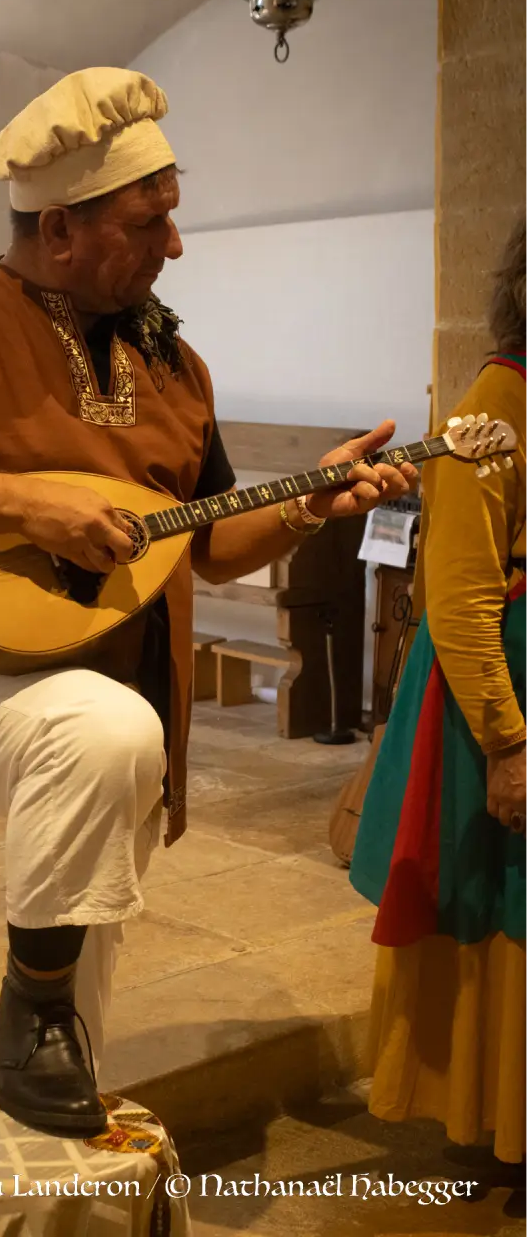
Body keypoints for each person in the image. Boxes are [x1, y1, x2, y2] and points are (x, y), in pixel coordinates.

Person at [0, 67, 415, 1139]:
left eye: (172, 213)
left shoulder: (172, 364)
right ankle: (29, 1025)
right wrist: (21, 504)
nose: (174, 244)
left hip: (115, 677)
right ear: (60, 228)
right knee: (105, 736)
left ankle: (53, 1117)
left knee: (93, 900)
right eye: (147, 220)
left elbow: (208, 546)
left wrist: (306, 505)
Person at [350, 213, 527, 1167]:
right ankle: (503, 1118)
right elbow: (459, 598)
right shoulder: (494, 410)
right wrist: (508, 742)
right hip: (503, 700)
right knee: (505, 905)